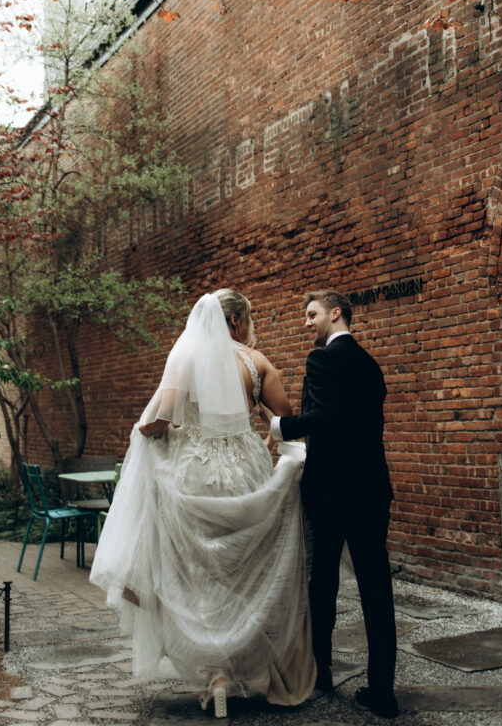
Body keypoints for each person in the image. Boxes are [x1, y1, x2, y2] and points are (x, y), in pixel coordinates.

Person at [90, 289, 316, 717]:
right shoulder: (258, 363)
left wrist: (146, 430)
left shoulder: (185, 356)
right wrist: (267, 437)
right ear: (234, 322)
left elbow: (164, 416)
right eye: (249, 318)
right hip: (245, 470)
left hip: (194, 473)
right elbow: (287, 423)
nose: (251, 327)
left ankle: (215, 675)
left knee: (196, 575)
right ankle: (245, 665)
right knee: (241, 570)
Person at [266, 288, 398, 719]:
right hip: (372, 489)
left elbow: (325, 417)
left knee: (322, 582)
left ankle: (320, 673)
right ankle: (383, 691)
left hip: (331, 492)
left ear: (335, 313)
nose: (306, 323)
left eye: (311, 314)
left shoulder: (322, 359)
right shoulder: (371, 365)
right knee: (377, 589)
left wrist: (280, 424)